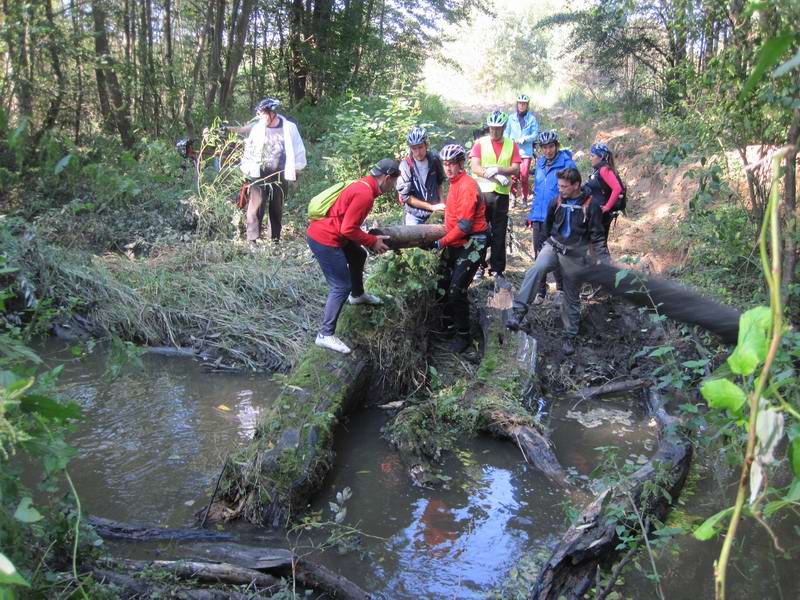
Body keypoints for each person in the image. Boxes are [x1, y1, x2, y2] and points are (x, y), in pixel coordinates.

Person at [506, 167, 609, 355]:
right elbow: (548, 225)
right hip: (554, 246)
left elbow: (597, 235)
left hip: (575, 255)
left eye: (564, 186)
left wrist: (604, 260)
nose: (560, 189)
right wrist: (544, 244)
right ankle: (518, 313)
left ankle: (569, 336)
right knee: (537, 269)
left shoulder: (591, 205)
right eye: (559, 185)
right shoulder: (557, 202)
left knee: (571, 296)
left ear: (576, 185)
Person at [307, 159, 400, 354]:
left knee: (357, 254)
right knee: (341, 285)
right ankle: (325, 334)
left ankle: (357, 295)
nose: (393, 187)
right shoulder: (365, 194)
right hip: (325, 239)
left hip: (333, 234)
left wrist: (368, 239)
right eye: (393, 182)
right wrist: (372, 241)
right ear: (386, 178)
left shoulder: (363, 185)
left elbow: (348, 223)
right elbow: (348, 229)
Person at [430, 144, 489, 353]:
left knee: (457, 288)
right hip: (457, 239)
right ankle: (447, 324)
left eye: (452, 164)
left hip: (474, 241)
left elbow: (464, 225)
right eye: (446, 164)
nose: (449, 168)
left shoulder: (467, 186)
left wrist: (441, 242)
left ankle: (463, 335)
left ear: (461, 164)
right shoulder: (453, 183)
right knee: (441, 283)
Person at [227, 97, 307, 245]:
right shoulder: (258, 128)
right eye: (259, 113)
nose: (260, 116)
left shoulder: (289, 128)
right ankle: (252, 239)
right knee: (256, 206)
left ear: (272, 113)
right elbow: (249, 149)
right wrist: (246, 170)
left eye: (262, 113)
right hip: (259, 174)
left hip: (280, 174)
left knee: (277, 207)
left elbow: (298, 149)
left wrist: (297, 168)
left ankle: (274, 239)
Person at [469, 111, 521, 281]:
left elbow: (515, 168)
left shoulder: (511, 144)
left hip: (501, 194)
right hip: (483, 193)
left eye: (498, 129)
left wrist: (498, 170)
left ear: (504, 128)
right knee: (481, 231)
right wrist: (488, 174)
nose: (494, 132)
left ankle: (497, 269)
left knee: (499, 232)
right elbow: (474, 167)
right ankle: (478, 267)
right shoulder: (480, 143)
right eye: (492, 128)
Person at [527, 130, 577, 304]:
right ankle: (540, 291)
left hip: (557, 218)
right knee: (538, 254)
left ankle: (561, 290)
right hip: (539, 217)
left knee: (557, 253)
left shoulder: (567, 164)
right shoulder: (540, 163)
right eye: (545, 147)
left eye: (551, 147)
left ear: (556, 146)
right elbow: (538, 191)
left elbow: (575, 191)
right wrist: (531, 214)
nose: (548, 151)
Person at [396, 126, 446, 225]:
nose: (418, 152)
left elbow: (439, 183)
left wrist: (441, 202)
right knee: (412, 239)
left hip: (435, 212)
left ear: (426, 145)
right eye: (414, 148)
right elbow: (406, 197)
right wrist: (431, 207)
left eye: (420, 147)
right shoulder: (405, 166)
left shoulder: (434, 160)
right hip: (415, 215)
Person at [585, 142, 624, 252]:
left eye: (592, 156)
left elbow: (617, 189)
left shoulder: (604, 170)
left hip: (601, 214)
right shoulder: (598, 169)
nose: (590, 158)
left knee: (598, 245)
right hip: (596, 213)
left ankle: (605, 267)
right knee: (594, 244)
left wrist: (607, 206)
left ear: (600, 156)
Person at [504, 94, 539, 207]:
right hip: (513, 151)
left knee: (524, 176)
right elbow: (506, 133)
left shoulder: (531, 119)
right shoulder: (511, 118)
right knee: (513, 177)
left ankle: (524, 198)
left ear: (527, 105)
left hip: (526, 152)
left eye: (524, 104)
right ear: (517, 104)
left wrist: (525, 139)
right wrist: (509, 140)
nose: (521, 105)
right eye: (520, 103)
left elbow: (535, 134)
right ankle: (513, 198)